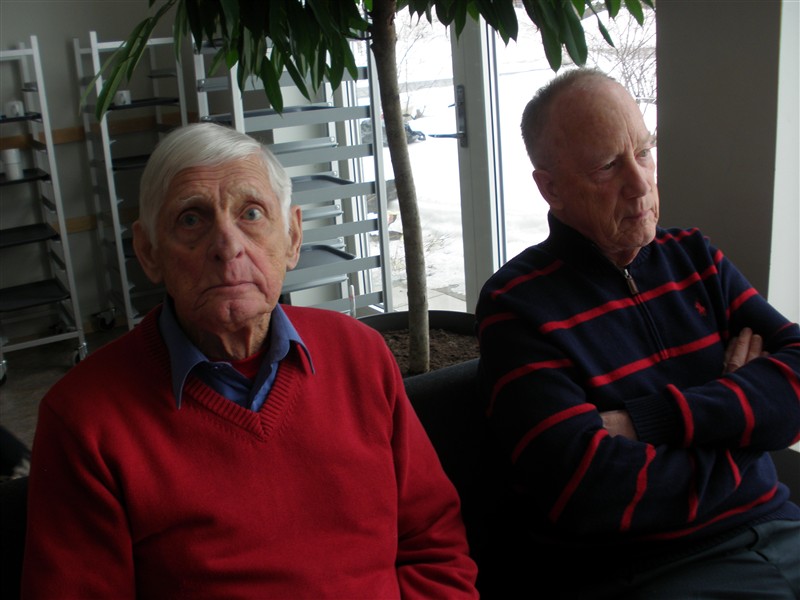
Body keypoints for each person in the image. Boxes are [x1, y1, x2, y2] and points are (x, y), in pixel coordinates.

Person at [22, 122, 478, 599]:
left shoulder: (359, 353)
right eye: (191, 220)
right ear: (148, 252)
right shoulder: (83, 419)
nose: (228, 246)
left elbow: (433, 542)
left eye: (252, 213)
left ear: (293, 237)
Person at [476, 68, 800, 599]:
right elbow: (582, 489)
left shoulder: (695, 256)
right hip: (653, 570)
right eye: (608, 166)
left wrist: (651, 420)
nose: (641, 183)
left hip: (779, 527)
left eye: (644, 152)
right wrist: (745, 428)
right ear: (551, 188)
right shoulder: (516, 304)